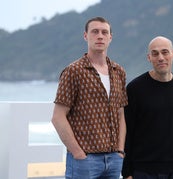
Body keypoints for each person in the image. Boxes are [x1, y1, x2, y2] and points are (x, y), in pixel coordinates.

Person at [51, 16, 128, 179]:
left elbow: (121, 114)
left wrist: (120, 151)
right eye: (95, 32)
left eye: (104, 32)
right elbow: (58, 117)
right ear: (86, 36)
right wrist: (78, 153)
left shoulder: (118, 71)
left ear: (110, 37)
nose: (100, 36)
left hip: (114, 159)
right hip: (84, 160)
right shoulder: (74, 71)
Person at [122, 36, 173, 179]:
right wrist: (127, 173)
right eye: (155, 54)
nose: (161, 57)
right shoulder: (135, 89)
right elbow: (127, 132)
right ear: (149, 57)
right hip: (143, 171)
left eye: (165, 52)